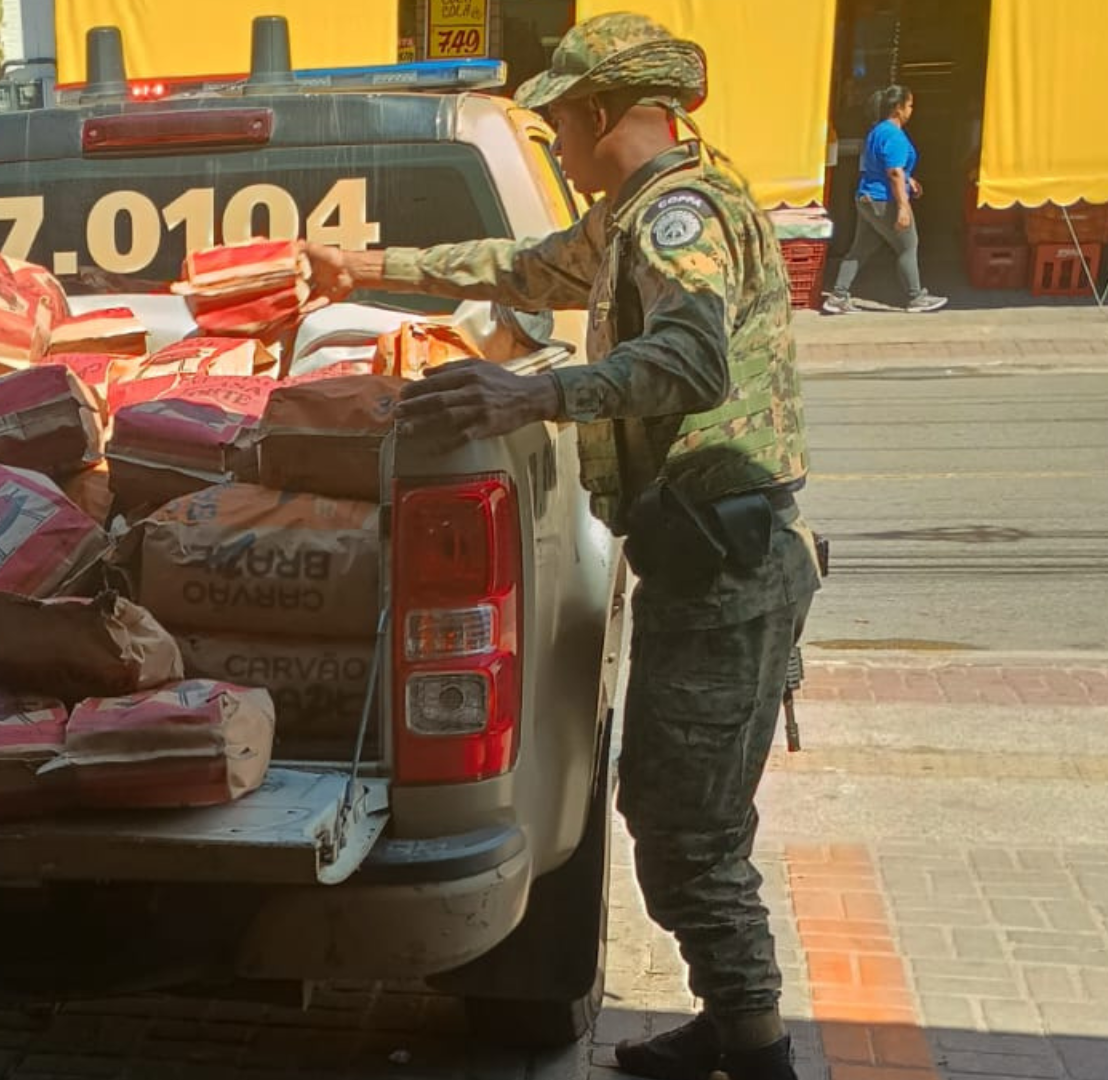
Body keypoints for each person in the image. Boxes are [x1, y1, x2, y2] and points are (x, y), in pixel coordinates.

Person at [301, 12, 820, 1080]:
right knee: (674, 812)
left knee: (688, 830)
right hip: (702, 560)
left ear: (596, 114)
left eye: (560, 128)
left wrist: (534, 388)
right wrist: (365, 263)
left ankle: (757, 1049)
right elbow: (523, 267)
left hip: (727, 568)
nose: (559, 150)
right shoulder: (643, 210)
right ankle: (733, 1022)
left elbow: (691, 357)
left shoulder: (675, 219)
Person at [823, 85, 948, 313]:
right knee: (908, 246)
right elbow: (894, 172)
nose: (912, 110)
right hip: (884, 200)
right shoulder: (894, 136)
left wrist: (908, 179)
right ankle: (916, 297)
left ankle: (838, 296)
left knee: (859, 250)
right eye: (909, 105)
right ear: (898, 109)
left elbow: (886, 166)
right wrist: (903, 206)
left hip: (866, 198)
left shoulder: (877, 131)